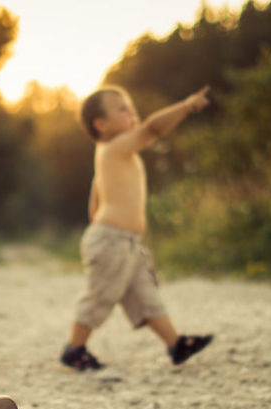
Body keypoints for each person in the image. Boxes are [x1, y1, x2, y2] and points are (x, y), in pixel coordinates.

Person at [61, 85, 214, 371]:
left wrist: (102, 229)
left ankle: (176, 344)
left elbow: (95, 200)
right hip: (112, 241)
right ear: (101, 124)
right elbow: (153, 129)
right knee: (101, 295)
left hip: (124, 242)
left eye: (131, 107)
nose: (132, 113)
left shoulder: (109, 155)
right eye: (123, 109)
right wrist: (185, 106)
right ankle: (74, 348)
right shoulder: (115, 147)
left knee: (145, 296)